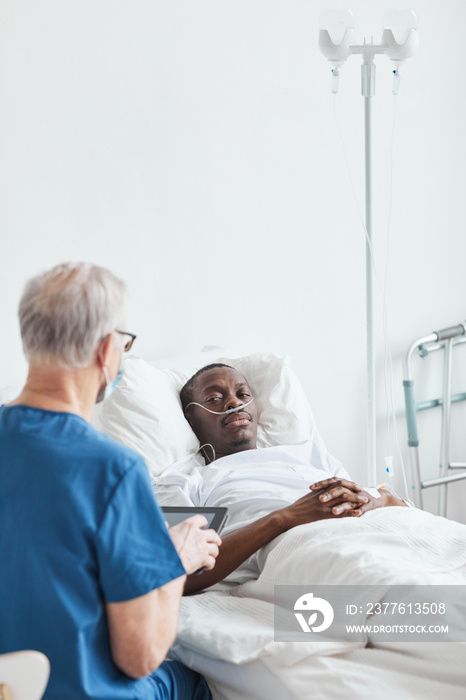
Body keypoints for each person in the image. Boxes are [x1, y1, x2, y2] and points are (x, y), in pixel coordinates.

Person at [0, 263, 221, 700]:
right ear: (106, 350)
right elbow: (140, 657)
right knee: (199, 682)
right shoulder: (112, 470)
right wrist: (173, 561)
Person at [155, 363, 408, 594]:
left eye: (242, 395)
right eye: (214, 398)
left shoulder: (309, 454)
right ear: (190, 418)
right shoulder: (186, 480)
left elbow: (370, 501)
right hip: (302, 547)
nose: (233, 403)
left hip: (380, 529)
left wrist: (380, 498)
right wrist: (285, 518)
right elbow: (178, 575)